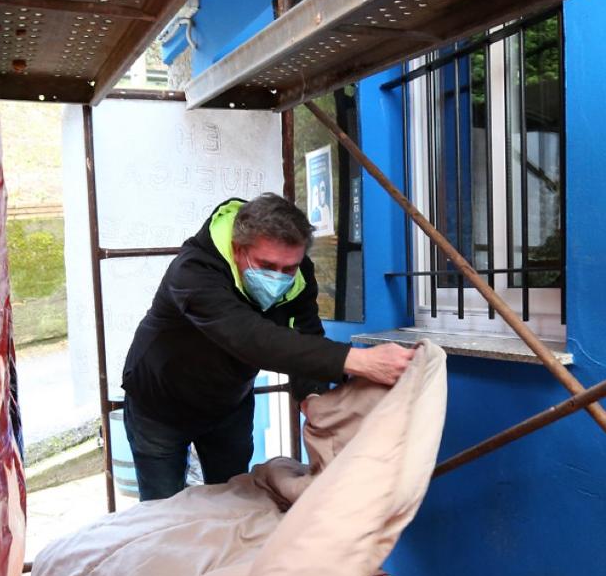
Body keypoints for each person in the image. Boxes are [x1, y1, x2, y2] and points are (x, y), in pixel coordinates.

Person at [121, 193, 413, 500]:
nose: (279, 277)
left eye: (289, 268)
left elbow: (306, 333)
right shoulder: (193, 271)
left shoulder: (299, 275)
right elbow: (250, 338)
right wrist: (360, 361)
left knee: (234, 502)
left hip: (228, 405)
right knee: (161, 511)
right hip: (159, 405)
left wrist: (312, 397)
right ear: (237, 250)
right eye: (266, 265)